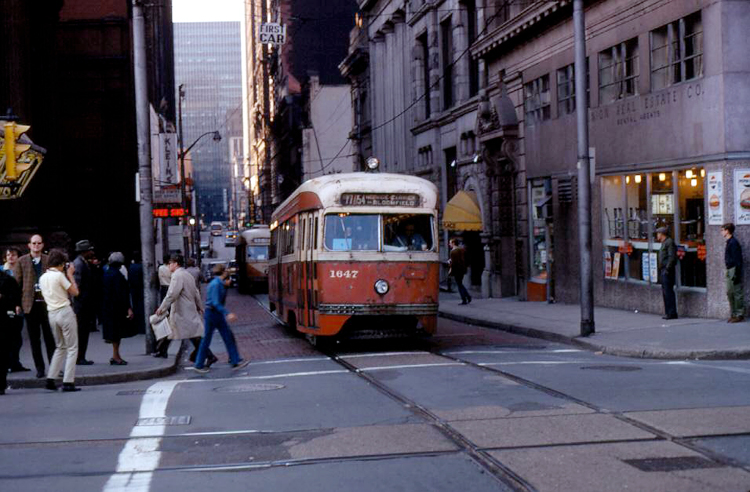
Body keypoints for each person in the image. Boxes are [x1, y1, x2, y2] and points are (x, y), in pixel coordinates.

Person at [154, 254, 216, 365]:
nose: (168, 266)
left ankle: (209, 355)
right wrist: (199, 306)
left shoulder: (177, 276)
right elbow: (196, 292)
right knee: (190, 333)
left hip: (182, 310)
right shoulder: (187, 274)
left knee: (190, 334)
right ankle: (162, 350)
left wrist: (162, 307)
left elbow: (172, 294)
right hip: (188, 308)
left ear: (175, 264)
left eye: (170, 264)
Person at [188, 264, 250, 373]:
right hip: (213, 313)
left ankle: (233, 360)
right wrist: (227, 313)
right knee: (213, 338)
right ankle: (233, 360)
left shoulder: (217, 283)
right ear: (224, 272)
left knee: (221, 337)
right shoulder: (216, 284)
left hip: (213, 313)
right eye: (226, 270)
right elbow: (216, 302)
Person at [13, 234, 56, 378]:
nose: (36, 246)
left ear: (43, 245)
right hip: (29, 305)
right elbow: (16, 284)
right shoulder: (22, 261)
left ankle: (53, 367)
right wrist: (16, 304)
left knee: (50, 337)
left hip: (46, 304)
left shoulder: (48, 260)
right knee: (34, 339)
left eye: (39, 243)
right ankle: (40, 368)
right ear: (29, 245)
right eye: (34, 243)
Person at [39, 249, 81, 392]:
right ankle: (68, 381)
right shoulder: (59, 276)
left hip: (51, 313)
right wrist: (70, 276)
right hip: (64, 311)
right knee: (72, 347)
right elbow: (75, 292)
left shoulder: (43, 277)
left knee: (60, 346)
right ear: (62, 263)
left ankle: (51, 378)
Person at [102, 252, 136, 365]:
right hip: (117, 308)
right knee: (117, 333)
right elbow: (122, 294)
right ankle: (116, 356)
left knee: (114, 333)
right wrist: (128, 308)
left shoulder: (106, 273)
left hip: (108, 307)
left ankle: (115, 355)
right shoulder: (118, 276)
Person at [3, 248, 29, 373]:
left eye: (13, 255)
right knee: (6, 338)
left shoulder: (21, 270)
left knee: (17, 337)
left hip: (18, 306)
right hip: (5, 308)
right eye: (8, 255)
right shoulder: (3, 271)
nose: (11, 257)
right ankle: (7, 363)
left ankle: (15, 362)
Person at [72, 240, 97, 365]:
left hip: (83, 303)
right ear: (84, 251)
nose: (91, 252)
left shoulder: (82, 262)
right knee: (81, 332)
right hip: (81, 305)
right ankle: (79, 357)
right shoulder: (79, 264)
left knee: (83, 331)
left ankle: (81, 356)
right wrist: (81, 300)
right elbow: (78, 285)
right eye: (89, 250)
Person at [0, 269, 22, 393]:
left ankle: (1, 384)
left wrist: (3, 297)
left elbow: (14, 299)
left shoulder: (8, 280)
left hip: (4, 321)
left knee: (3, 353)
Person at [722, 223, 744, 322]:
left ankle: (739, 314)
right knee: (730, 292)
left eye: (723, 230)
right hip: (730, 269)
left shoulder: (733, 243)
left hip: (733, 269)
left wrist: (736, 273)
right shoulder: (729, 242)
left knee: (736, 292)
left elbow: (738, 259)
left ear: (727, 231)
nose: (721, 232)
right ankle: (734, 313)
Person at [656, 226, 677, 320]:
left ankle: (671, 313)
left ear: (662, 234)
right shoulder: (664, 243)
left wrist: (667, 269)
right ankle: (668, 312)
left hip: (667, 270)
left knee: (668, 292)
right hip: (663, 269)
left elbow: (671, 257)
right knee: (665, 292)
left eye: (658, 233)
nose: (657, 235)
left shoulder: (669, 242)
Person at [449, 238, 472, 305]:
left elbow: (454, 263)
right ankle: (467, 296)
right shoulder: (461, 250)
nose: (449, 244)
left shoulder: (453, 251)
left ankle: (465, 298)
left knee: (459, 285)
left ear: (453, 243)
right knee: (460, 284)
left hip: (457, 270)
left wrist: (450, 269)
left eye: (450, 243)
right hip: (462, 269)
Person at [128, 252, 146, 334]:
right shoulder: (141, 267)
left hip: (134, 290)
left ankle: (137, 326)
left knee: (136, 307)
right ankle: (142, 327)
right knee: (142, 308)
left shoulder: (131, 267)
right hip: (141, 289)